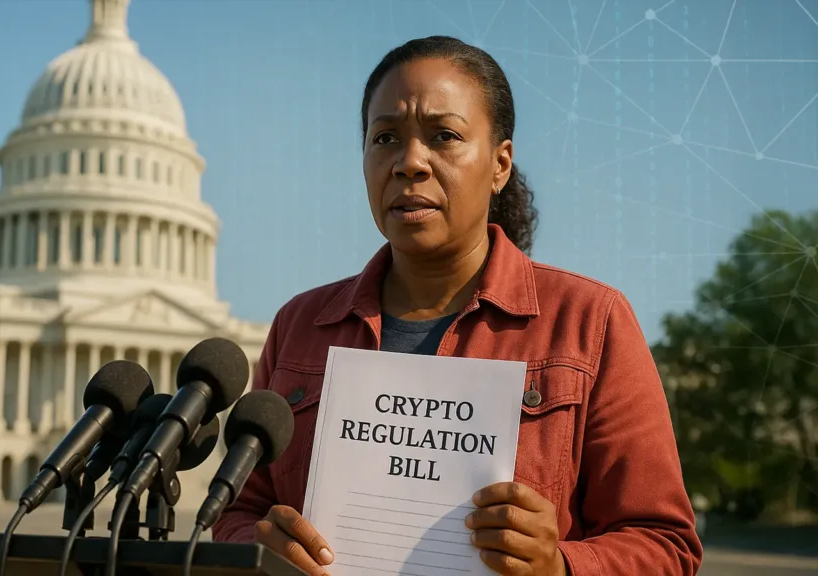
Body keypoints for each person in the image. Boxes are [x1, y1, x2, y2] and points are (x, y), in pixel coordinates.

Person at [211, 36, 703, 576]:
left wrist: (559, 566)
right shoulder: (301, 327)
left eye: (444, 136)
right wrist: (259, 549)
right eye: (385, 138)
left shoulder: (590, 322)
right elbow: (238, 512)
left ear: (500, 163)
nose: (409, 163)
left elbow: (666, 546)